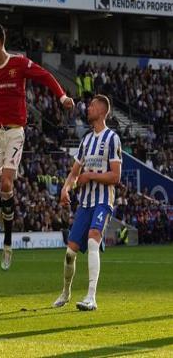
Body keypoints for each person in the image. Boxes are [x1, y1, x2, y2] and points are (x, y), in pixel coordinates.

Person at [0, 23, 74, 270]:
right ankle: (6, 207)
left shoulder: (19, 63)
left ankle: (7, 242)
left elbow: (44, 76)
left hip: (15, 132)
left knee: (6, 184)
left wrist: (62, 96)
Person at [53, 95, 122, 311]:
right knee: (70, 253)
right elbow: (75, 173)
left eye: (92, 106)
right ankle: (66, 292)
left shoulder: (112, 138)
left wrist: (90, 175)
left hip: (103, 201)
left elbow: (116, 176)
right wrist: (66, 188)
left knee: (93, 241)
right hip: (85, 203)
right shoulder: (86, 141)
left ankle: (91, 297)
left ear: (101, 111)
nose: (88, 108)